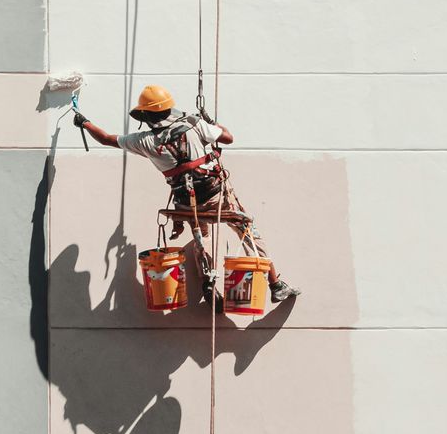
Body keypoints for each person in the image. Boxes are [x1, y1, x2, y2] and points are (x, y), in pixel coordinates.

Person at [74, 84, 298, 307]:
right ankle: (275, 284)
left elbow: (106, 139)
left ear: (146, 115)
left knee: (201, 237)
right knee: (247, 230)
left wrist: (84, 122)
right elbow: (228, 138)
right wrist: (210, 123)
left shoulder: (145, 141)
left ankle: (208, 280)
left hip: (187, 204)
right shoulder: (194, 124)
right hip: (216, 196)